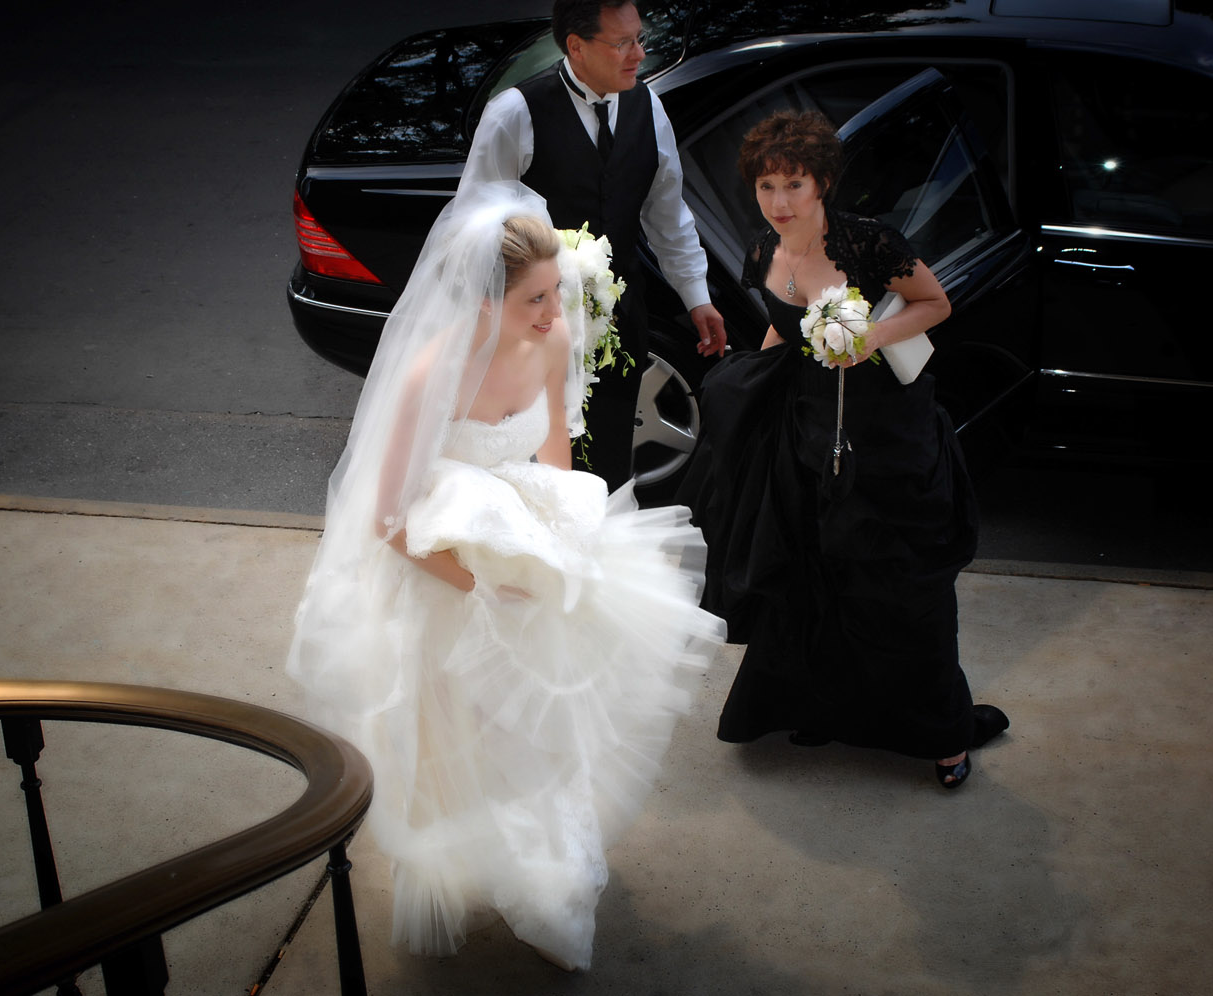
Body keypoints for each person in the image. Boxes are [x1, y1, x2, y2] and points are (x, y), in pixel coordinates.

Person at [287, 182, 725, 970]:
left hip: (521, 553)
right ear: (483, 302)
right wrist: (481, 590)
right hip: (442, 573)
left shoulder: (552, 342)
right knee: (461, 746)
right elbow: (389, 521)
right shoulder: (431, 375)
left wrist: (565, 545)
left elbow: (556, 454)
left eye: (556, 292)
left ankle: (547, 877)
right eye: (534, 298)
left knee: (542, 739)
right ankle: (469, 862)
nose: (555, 312)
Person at [678, 110, 1008, 788]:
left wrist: (868, 339)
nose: (780, 202)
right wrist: (746, 398)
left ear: (823, 182)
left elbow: (934, 304)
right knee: (813, 578)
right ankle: (820, 705)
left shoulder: (869, 244)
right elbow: (779, 334)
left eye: (794, 185)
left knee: (902, 587)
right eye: (767, 187)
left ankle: (943, 736)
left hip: (887, 437)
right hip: (805, 432)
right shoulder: (759, 252)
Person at [460, 0, 726, 490]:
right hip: (527, 330)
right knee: (529, 467)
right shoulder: (515, 114)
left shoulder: (649, 106)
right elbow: (476, 229)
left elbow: (667, 213)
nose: (639, 54)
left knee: (604, 462)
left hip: (620, 323)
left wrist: (697, 296)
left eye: (639, 38)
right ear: (576, 47)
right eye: (623, 43)